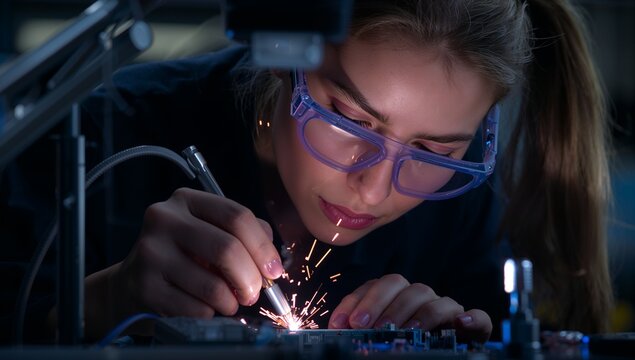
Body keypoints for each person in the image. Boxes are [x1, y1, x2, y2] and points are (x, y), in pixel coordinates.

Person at [0, 0, 613, 345]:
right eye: (349, 121)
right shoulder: (105, 133)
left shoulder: (460, 205)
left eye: (434, 150)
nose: (374, 190)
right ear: (281, 65)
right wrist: (98, 303)